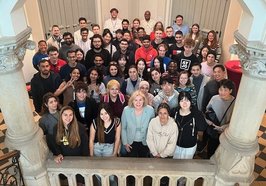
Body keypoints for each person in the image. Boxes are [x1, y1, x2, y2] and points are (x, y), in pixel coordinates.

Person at [171, 91, 207, 159]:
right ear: (179, 102)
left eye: (187, 100)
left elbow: (202, 127)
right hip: (175, 144)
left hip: (189, 146)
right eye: (182, 101)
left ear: (190, 101)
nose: (184, 103)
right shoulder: (175, 112)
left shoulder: (196, 114)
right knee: (175, 164)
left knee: (186, 165)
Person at [205, 79, 235, 158]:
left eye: (225, 90)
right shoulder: (214, 98)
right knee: (211, 150)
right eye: (221, 89)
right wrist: (210, 123)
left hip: (226, 133)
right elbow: (207, 112)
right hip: (213, 131)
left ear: (230, 91)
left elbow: (235, 121)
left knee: (222, 153)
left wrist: (223, 128)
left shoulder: (235, 103)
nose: (222, 92)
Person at [121, 90, 155, 157]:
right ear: (132, 101)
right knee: (131, 164)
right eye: (135, 100)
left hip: (145, 142)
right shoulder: (126, 110)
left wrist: (151, 144)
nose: (138, 102)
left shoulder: (150, 110)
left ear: (144, 101)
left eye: (140, 100)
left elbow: (153, 128)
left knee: (144, 164)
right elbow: (123, 128)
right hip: (130, 142)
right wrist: (125, 143)